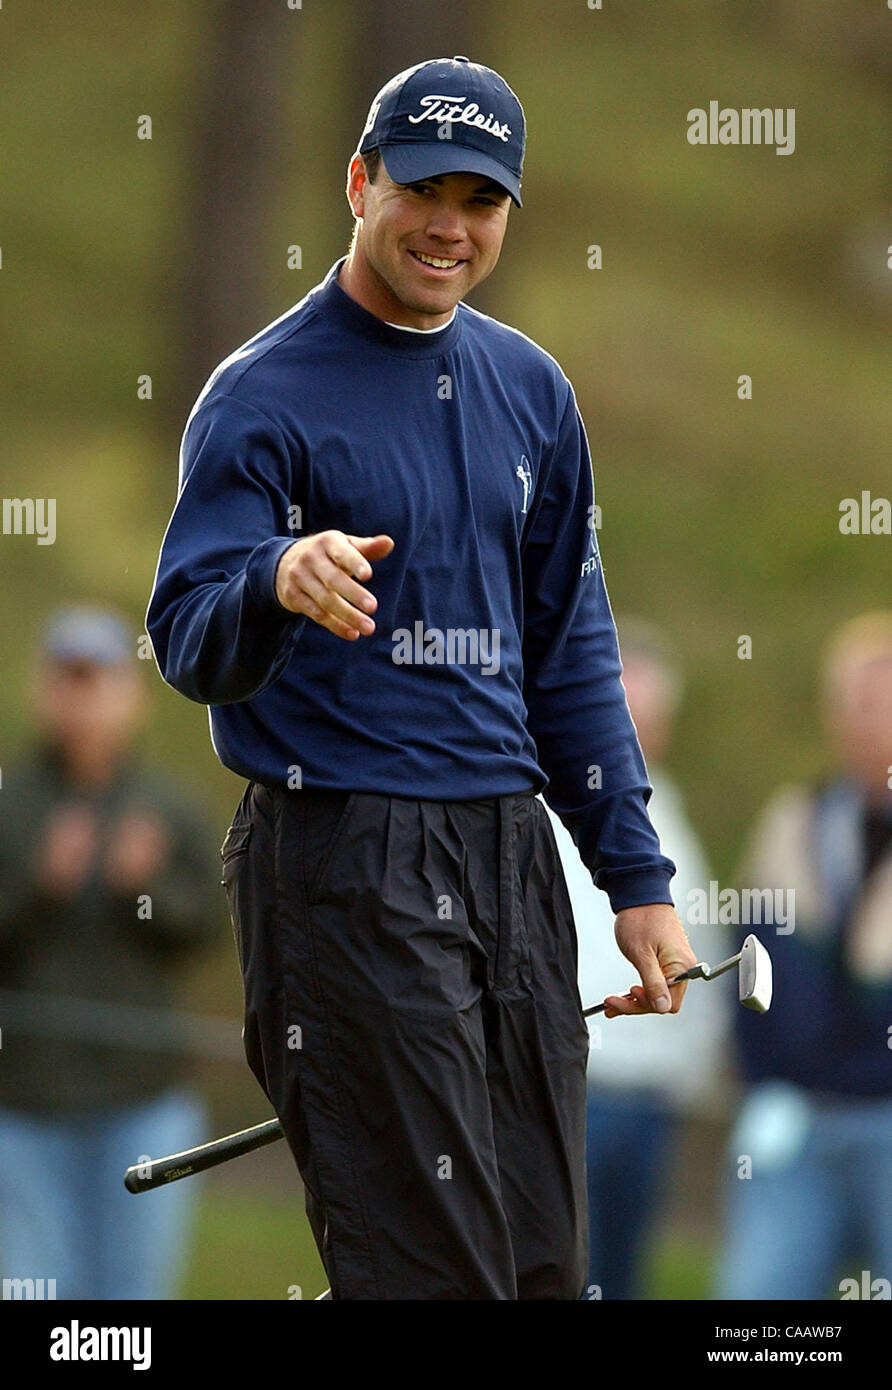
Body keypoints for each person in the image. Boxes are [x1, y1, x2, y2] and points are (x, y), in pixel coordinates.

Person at [146, 56, 697, 1301]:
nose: (449, 225)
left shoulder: (532, 393)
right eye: (421, 189)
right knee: (432, 1276)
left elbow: (569, 653)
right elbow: (185, 636)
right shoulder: (261, 395)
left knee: (544, 1267)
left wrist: (635, 876)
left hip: (512, 862)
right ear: (358, 182)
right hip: (345, 859)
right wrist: (276, 577)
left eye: (481, 200)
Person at [0, 607, 220, 1299]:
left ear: (132, 697)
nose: (82, 699)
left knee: (132, 1303)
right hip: (23, 1110)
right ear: (44, 690)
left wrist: (144, 889)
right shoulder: (11, 805)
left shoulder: (168, 804)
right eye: (68, 679)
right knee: (38, 1293)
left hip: (144, 1104)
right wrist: (37, 889)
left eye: (97, 680)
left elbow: (210, 929)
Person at [543, 619, 730, 1299]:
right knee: (556, 1266)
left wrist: (692, 1075)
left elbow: (701, 953)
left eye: (644, 718)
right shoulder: (547, 813)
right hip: (570, 1087)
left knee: (618, 1278)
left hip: (649, 1102)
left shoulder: (672, 819)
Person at [716, 612, 892, 1299]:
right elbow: (749, 965)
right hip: (796, 1117)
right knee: (759, 1300)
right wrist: (765, 1080)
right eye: (856, 702)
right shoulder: (794, 824)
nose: (868, 721)